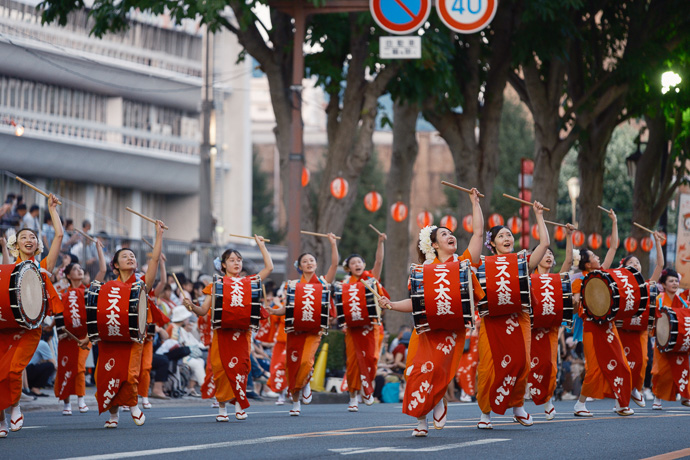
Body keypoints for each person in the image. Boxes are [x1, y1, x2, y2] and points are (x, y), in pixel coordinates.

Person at [379, 188, 485, 437]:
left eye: (451, 233)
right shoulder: (422, 272)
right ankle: (421, 421)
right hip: (425, 331)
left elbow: (478, 233)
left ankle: (437, 399)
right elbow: (416, 303)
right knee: (417, 371)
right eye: (444, 234)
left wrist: (475, 203)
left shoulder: (463, 263)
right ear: (434, 244)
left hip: (451, 330)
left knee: (437, 370)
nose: (451, 236)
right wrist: (392, 304)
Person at [475, 200, 549, 429]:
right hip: (493, 321)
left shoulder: (521, 261)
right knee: (489, 366)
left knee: (521, 362)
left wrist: (538, 215)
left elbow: (544, 243)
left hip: (519, 318)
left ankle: (518, 407)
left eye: (509, 235)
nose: (507, 239)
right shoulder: (483, 264)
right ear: (492, 244)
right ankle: (485, 413)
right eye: (501, 236)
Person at [184, 235, 273, 422]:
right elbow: (202, 311)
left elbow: (269, 268)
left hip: (241, 334)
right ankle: (222, 408)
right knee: (221, 369)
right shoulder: (215, 285)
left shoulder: (249, 282)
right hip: (222, 334)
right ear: (223, 265)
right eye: (232, 260)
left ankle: (240, 405)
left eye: (239, 260)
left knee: (241, 368)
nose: (236, 263)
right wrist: (190, 305)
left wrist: (262, 246)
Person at [0, 193, 63, 438]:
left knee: (15, 369)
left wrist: (52, 210)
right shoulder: (7, 267)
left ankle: (15, 405)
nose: (29, 239)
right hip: (5, 326)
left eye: (33, 237)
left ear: (38, 245)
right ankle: (2, 418)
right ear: (16, 244)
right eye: (24, 236)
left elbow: (59, 236)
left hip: (30, 328)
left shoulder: (42, 267)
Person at [97, 219, 165, 429]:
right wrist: (87, 336)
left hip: (134, 336)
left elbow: (153, 264)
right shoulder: (108, 287)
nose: (130, 258)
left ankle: (134, 404)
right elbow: (98, 314)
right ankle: (114, 414)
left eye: (132, 256)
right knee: (108, 374)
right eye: (125, 256)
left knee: (130, 373)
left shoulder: (141, 284)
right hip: (110, 336)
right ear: (115, 265)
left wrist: (159, 235)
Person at [571, 209, 634, 417]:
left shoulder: (602, 274)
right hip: (591, 328)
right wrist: (577, 299)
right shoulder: (580, 280)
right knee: (596, 368)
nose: (599, 257)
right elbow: (575, 303)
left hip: (607, 326)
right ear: (588, 264)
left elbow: (614, 246)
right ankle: (580, 404)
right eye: (594, 257)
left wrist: (615, 221)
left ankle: (621, 402)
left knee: (621, 364)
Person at [269, 233, 339, 417]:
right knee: (292, 366)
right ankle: (295, 400)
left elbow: (334, 265)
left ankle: (305, 381)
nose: (309, 263)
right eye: (305, 261)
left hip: (313, 331)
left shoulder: (323, 282)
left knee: (306, 361)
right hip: (295, 331)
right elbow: (287, 308)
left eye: (312, 260)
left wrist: (332, 243)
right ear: (300, 267)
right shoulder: (293, 286)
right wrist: (274, 311)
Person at [52, 240, 107, 416]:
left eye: (81, 269)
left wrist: (99, 249)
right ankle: (66, 402)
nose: (80, 271)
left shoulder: (89, 291)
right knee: (65, 368)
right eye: (75, 269)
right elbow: (59, 314)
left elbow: (103, 271)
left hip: (83, 337)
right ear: (68, 275)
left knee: (80, 367)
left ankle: (81, 399)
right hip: (66, 337)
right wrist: (56, 329)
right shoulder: (62, 293)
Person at [527, 223, 575, 420]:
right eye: (544, 253)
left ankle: (548, 401)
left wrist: (569, 236)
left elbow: (570, 260)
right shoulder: (528, 278)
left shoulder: (557, 279)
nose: (548, 256)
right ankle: (519, 406)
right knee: (527, 367)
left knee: (549, 366)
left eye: (550, 254)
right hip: (530, 330)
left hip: (549, 331)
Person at [340, 231, 388, 413]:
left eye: (359, 262)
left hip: (372, 326)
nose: (357, 264)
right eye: (353, 263)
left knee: (371, 359)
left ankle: (367, 390)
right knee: (352, 362)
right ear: (349, 268)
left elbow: (379, 262)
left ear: (364, 265)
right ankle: (353, 396)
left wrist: (380, 243)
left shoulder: (370, 278)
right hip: (353, 328)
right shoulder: (346, 285)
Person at [618, 231, 664, 408]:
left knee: (642, 361)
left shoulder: (647, 284)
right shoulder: (619, 286)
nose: (636, 264)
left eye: (637, 262)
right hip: (622, 329)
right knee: (622, 362)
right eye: (631, 262)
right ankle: (620, 400)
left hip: (640, 329)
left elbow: (659, 265)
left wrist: (657, 243)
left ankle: (635, 388)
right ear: (624, 267)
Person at [651, 269, 690, 409]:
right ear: (664, 284)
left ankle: (685, 396)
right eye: (671, 281)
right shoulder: (659, 300)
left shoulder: (683, 301)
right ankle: (658, 397)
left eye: (676, 281)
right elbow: (653, 318)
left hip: (679, 340)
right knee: (661, 371)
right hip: (663, 340)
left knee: (683, 368)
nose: (674, 283)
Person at [26, 329, 57, 397]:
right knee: (50, 366)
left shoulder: (34, 341)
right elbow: (53, 363)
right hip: (27, 372)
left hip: (25, 373)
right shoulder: (43, 344)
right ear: (50, 337)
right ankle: (35, 388)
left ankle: (30, 387)